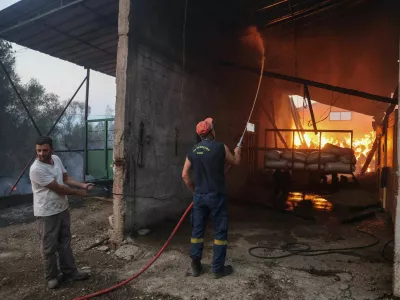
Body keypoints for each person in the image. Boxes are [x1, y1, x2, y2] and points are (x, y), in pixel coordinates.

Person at [29, 136, 94, 289]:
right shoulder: (36, 169)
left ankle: (70, 272)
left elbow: (65, 178)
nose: (41, 153)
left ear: (52, 150)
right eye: (38, 150)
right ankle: (51, 276)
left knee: (65, 242)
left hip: (62, 209)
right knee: (49, 246)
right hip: (46, 212)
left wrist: (82, 185)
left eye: (45, 150)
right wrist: (79, 193)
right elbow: (59, 188)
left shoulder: (56, 159)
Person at [181, 118, 241, 279]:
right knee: (220, 232)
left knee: (197, 232)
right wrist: (238, 150)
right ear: (212, 132)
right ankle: (217, 269)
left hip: (200, 197)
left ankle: (195, 266)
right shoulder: (220, 147)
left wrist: (195, 190)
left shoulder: (193, 151)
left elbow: (185, 175)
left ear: (200, 135)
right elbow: (235, 161)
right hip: (217, 197)